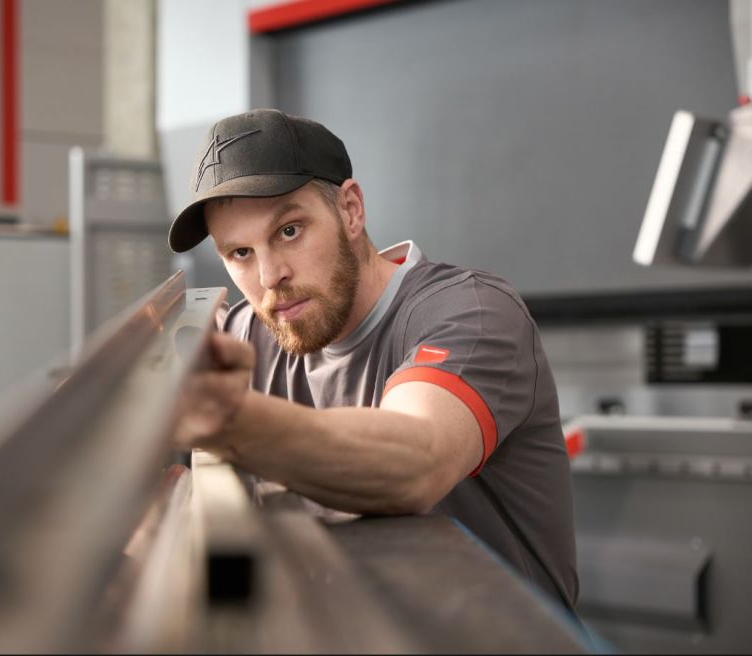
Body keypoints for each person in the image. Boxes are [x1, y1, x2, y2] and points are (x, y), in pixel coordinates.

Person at [168, 108, 578, 610]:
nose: (270, 276)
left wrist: (229, 419)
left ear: (351, 210)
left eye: (290, 231)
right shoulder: (254, 333)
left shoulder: (469, 311)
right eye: (240, 254)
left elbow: (417, 462)